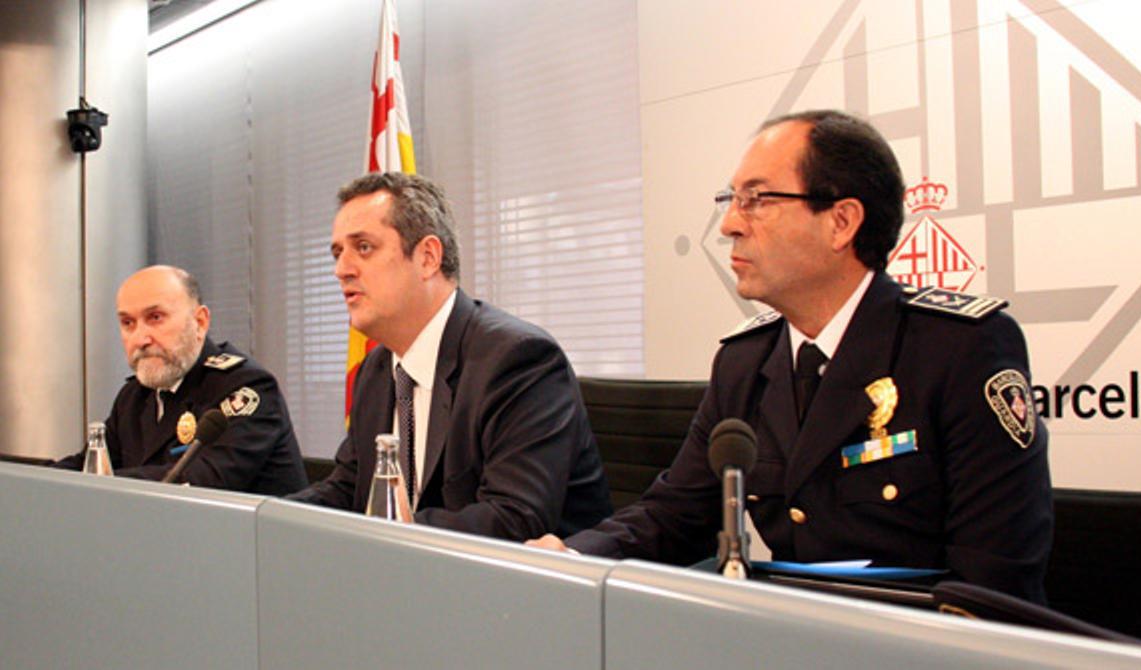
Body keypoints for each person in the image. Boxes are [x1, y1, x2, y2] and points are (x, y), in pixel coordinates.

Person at [530, 110, 1053, 603]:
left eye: (757, 200)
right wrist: (572, 558)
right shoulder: (745, 360)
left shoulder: (958, 348)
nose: (729, 224)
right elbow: (677, 513)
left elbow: (995, 579)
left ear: (841, 222)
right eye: (731, 199)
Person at [287, 172, 611, 541]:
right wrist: (265, 517)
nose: (340, 270)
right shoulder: (376, 370)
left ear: (427, 258)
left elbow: (514, 518)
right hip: (411, 567)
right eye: (337, 253)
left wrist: (393, 535)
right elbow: (349, 489)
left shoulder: (518, 360)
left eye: (363, 247)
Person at [55, 265, 308, 495]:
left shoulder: (247, 388)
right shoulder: (134, 396)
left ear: (200, 322)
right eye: (128, 323)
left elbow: (202, 483)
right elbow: (90, 463)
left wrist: (96, 482)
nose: (140, 339)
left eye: (155, 318)